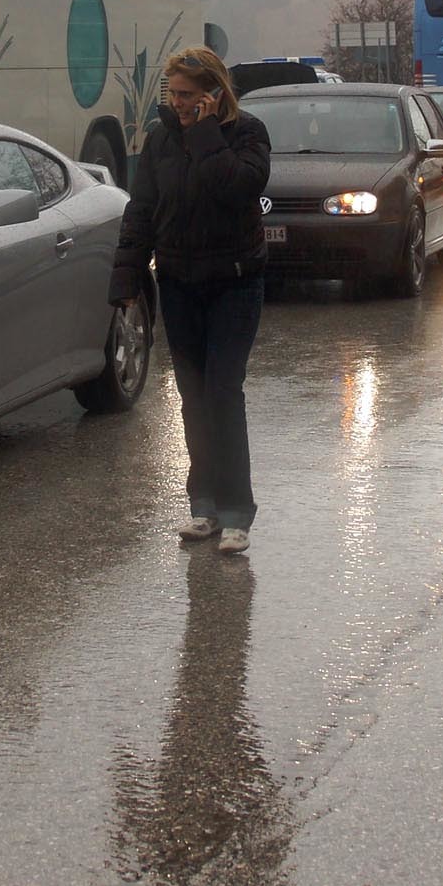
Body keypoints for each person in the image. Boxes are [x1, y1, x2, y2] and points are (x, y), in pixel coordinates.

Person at [110, 45, 273, 555]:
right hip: (179, 284)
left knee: (224, 391)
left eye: (186, 95)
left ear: (212, 94)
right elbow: (142, 210)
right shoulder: (160, 141)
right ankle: (202, 506)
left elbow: (239, 187)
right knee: (194, 397)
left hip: (235, 283)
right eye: (172, 94)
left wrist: (204, 133)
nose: (177, 103)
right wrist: (127, 274)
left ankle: (236, 512)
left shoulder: (247, 134)